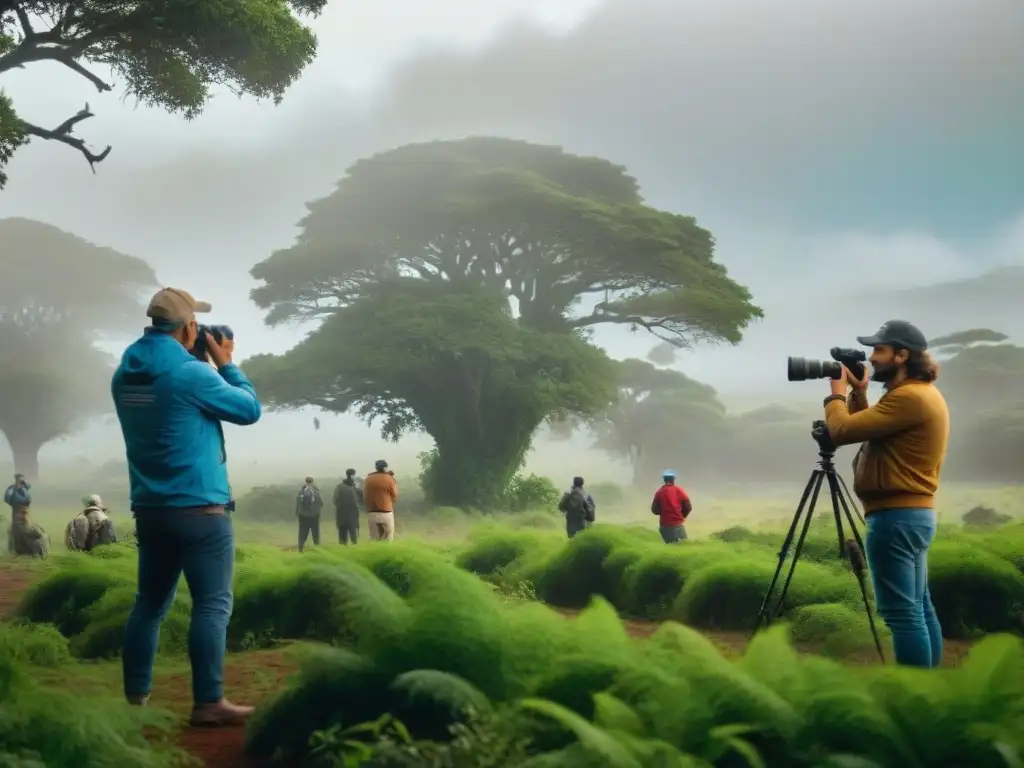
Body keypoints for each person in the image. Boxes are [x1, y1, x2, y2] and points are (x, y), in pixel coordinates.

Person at [111, 287, 261, 726]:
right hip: (200, 510)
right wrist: (227, 363)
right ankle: (208, 703)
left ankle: (135, 699)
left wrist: (197, 360)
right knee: (212, 605)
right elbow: (249, 410)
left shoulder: (125, 373)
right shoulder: (192, 376)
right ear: (190, 327)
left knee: (149, 606)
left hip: (151, 508)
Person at [823, 319, 949, 669]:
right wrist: (859, 393)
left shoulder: (909, 397)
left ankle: (914, 699)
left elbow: (840, 430)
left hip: (895, 519)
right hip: (911, 515)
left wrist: (835, 391)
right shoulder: (917, 395)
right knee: (919, 608)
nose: (871, 357)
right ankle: (931, 691)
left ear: (902, 354)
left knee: (902, 615)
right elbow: (872, 431)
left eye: (879, 349)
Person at [651, 470, 691, 543]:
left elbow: (654, 510)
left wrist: (663, 512)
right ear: (673, 479)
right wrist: (682, 515)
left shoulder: (659, 492)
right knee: (684, 547)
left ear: (664, 479)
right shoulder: (679, 490)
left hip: (665, 526)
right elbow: (688, 507)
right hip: (678, 526)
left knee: (670, 547)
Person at [363, 460, 398, 541]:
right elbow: (395, 496)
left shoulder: (368, 479)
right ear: (385, 467)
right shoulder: (389, 478)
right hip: (386, 512)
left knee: (374, 538)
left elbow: (365, 495)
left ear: (376, 467)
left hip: (372, 512)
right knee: (388, 538)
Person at [333, 469, 362, 545]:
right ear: (352, 475)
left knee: (343, 539)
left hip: (342, 516)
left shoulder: (339, 487)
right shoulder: (354, 487)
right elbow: (361, 500)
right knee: (353, 538)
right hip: (352, 516)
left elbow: (335, 501)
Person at [295, 476, 323, 552]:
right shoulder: (316, 492)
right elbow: (321, 503)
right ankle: (318, 549)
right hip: (314, 516)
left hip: (303, 516)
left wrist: (298, 514)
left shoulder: (301, 492)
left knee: (302, 533)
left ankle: (300, 548)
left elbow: (298, 504)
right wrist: (317, 512)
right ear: (312, 482)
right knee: (315, 533)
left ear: (306, 482)